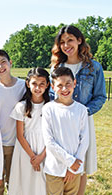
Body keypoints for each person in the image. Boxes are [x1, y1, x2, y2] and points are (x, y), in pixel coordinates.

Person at [50, 25, 107, 195]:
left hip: (83, 121)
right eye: (62, 42)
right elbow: (52, 94)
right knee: (63, 160)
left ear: (79, 40)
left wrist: (82, 112)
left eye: (70, 40)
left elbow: (100, 96)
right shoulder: (56, 67)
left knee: (80, 164)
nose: (66, 45)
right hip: (61, 121)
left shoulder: (93, 67)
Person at [0, 49, 26, 194]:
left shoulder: (23, 85)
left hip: (17, 142)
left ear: (10, 63)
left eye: (3, 62)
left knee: (14, 182)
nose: (0, 67)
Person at [42, 67, 89, 195]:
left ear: (74, 83)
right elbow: (49, 141)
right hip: (54, 169)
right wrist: (70, 161)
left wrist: (74, 167)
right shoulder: (48, 109)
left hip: (75, 169)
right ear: (52, 86)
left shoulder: (81, 110)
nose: (64, 89)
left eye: (68, 84)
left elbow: (84, 140)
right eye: (60, 85)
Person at [9, 67, 50, 195]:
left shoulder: (50, 106)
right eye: (34, 84)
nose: (38, 88)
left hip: (45, 149)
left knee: (42, 183)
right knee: (25, 182)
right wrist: (33, 157)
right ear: (28, 83)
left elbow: (53, 135)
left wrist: (41, 157)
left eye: (42, 84)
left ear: (47, 85)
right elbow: (20, 136)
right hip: (25, 150)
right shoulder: (21, 106)